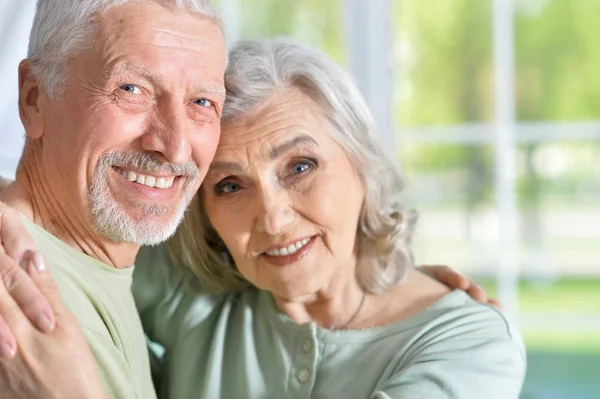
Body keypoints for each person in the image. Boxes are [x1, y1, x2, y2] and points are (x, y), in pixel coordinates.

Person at [0, 39, 525, 398]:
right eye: (229, 186)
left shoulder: (471, 343)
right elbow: (53, 221)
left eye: (300, 167)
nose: (272, 219)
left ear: (363, 164)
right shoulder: (201, 289)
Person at [0, 0, 227, 397]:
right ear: (34, 98)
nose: (175, 147)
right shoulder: (21, 318)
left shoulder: (102, 262)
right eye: (130, 89)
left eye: (201, 103)